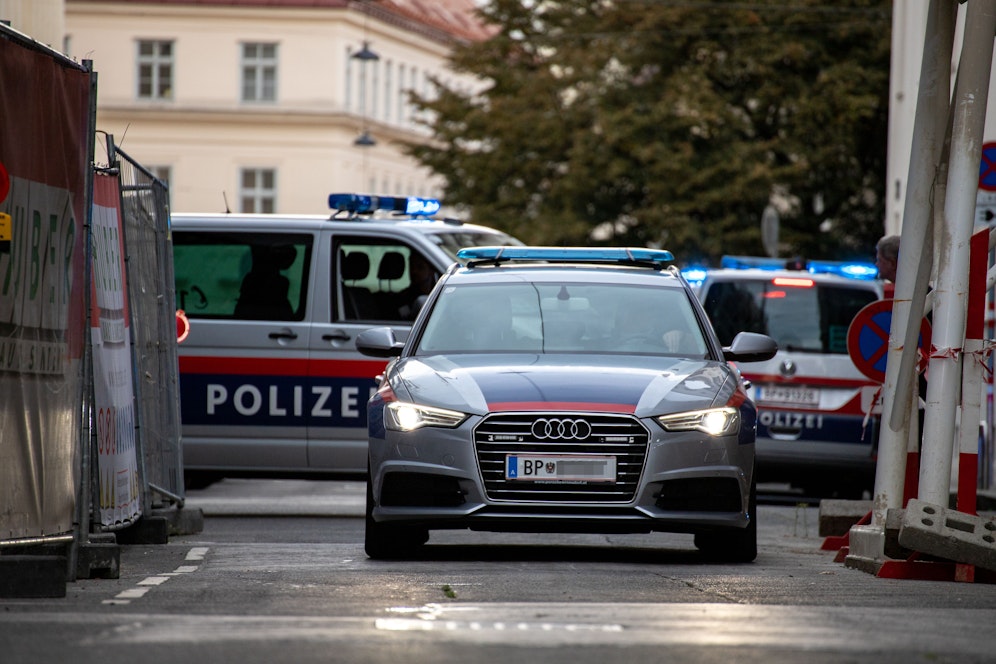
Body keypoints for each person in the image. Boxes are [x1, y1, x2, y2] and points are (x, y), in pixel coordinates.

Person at [396, 252, 439, 320]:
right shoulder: (403, 298)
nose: (414, 271)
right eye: (411, 267)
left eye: (420, 267)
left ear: (431, 271)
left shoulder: (440, 294)